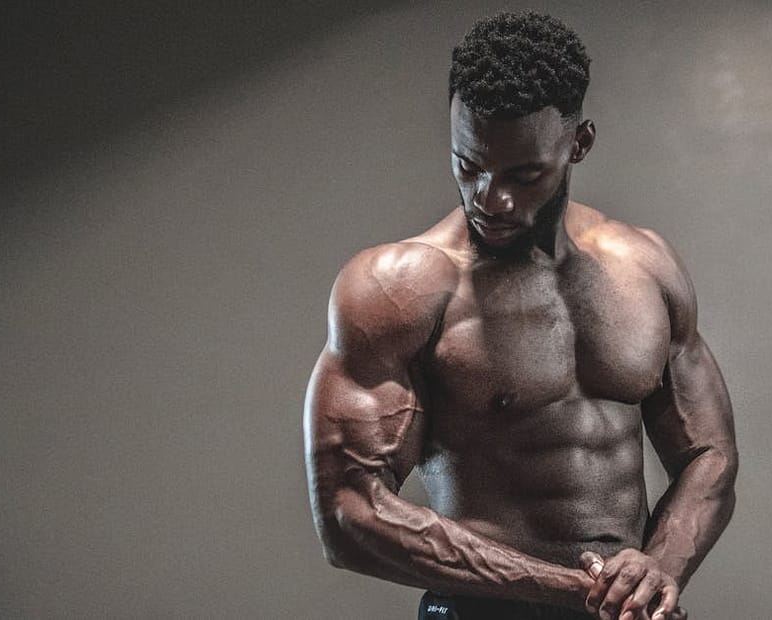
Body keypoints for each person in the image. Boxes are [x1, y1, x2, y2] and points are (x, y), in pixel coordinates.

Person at [304, 11, 737, 620]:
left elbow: (709, 454)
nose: (490, 198)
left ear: (578, 144)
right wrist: (578, 591)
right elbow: (348, 513)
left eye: (524, 174)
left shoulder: (646, 266)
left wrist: (657, 570)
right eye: (468, 165)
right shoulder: (399, 289)